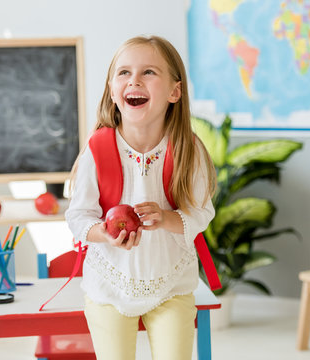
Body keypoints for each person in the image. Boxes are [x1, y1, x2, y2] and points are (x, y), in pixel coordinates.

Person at [65, 35, 217, 360]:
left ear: (175, 91)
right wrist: (104, 233)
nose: (134, 80)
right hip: (108, 286)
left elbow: (202, 213)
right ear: (111, 89)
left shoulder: (189, 150)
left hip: (171, 285)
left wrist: (167, 218)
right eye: (124, 73)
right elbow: (78, 217)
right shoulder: (98, 149)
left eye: (148, 72)